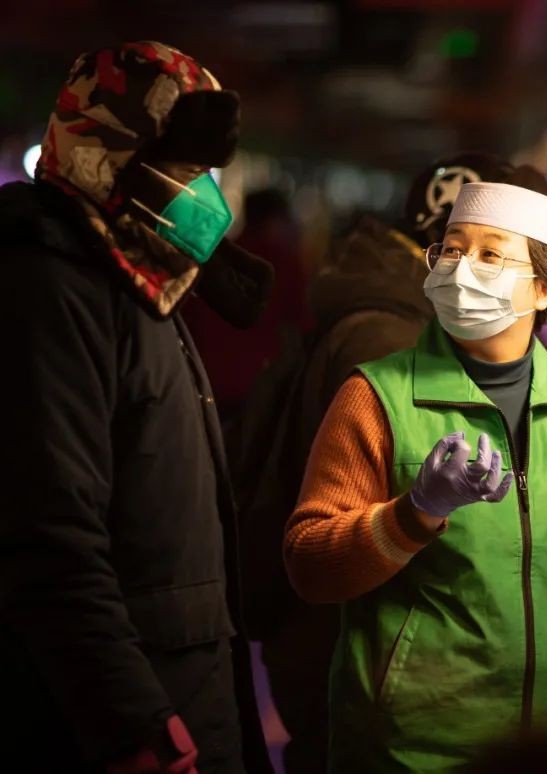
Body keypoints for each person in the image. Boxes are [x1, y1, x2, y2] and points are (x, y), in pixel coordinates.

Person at [284, 179, 547, 772]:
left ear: (543, 287)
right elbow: (308, 564)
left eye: (490, 253)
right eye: (452, 249)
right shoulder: (376, 395)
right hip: (415, 746)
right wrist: (415, 512)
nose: (462, 268)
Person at [0, 42, 274, 773]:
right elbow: (49, 535)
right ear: (111, 150)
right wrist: (132, 724)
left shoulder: (136, 268)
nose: (200, 192)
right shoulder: (50, 290)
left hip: (186, 687)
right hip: (135, 724)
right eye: (184, 169)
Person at [251, 153, 547, 774]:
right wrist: (421, 510)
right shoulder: (389, 347)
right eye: (473, 250)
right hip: (356, 664)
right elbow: (321, 542)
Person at [184, 187, 311, 424]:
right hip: (257, 389)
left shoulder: (217, 260)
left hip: (206, 384)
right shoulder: (282, 265)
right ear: (275, 221)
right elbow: (303, 325)